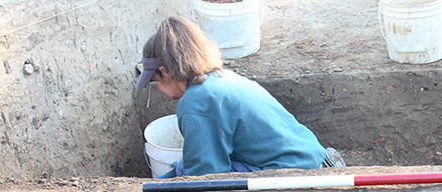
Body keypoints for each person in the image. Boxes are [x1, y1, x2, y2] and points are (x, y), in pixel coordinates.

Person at [135, 16, 343, 178]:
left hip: (297, 174)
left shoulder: (196, 101)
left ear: (166, 71)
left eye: (156, 81)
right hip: (316, 158)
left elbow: (206, 175)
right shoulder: (221, 78)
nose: (159, 89)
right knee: (182, 167)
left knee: (186, 177)